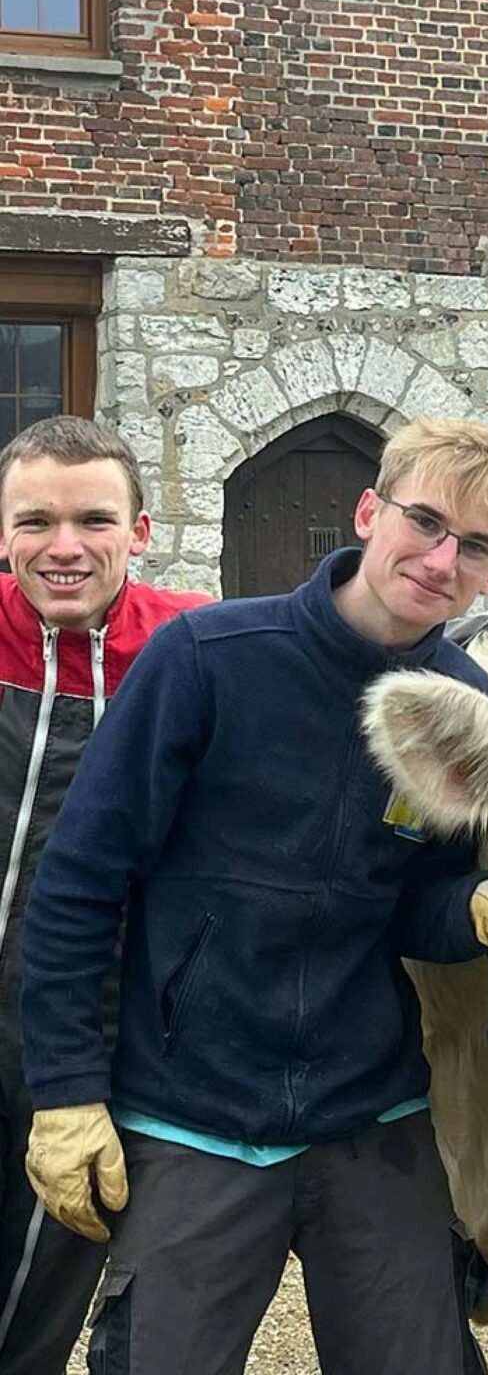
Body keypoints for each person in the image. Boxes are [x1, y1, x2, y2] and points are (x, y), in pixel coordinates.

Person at [20, 418, 488, 1375]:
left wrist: (476, 906)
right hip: (189, 1110)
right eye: (425, 521)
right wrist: (67, 1096)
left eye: (478, 546)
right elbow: (80, 883)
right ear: (371, 511)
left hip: (368, 1113)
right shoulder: (208, 660)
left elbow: (411, 901)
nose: (442, 558)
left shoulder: (462, 707)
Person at [0, 416, 211, 1375]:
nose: (65, 547)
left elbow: (345, 640)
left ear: (142, 530)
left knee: (31, 1310)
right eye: (35, 521)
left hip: (88, 1048)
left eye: (93, 519)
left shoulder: (195, 647)